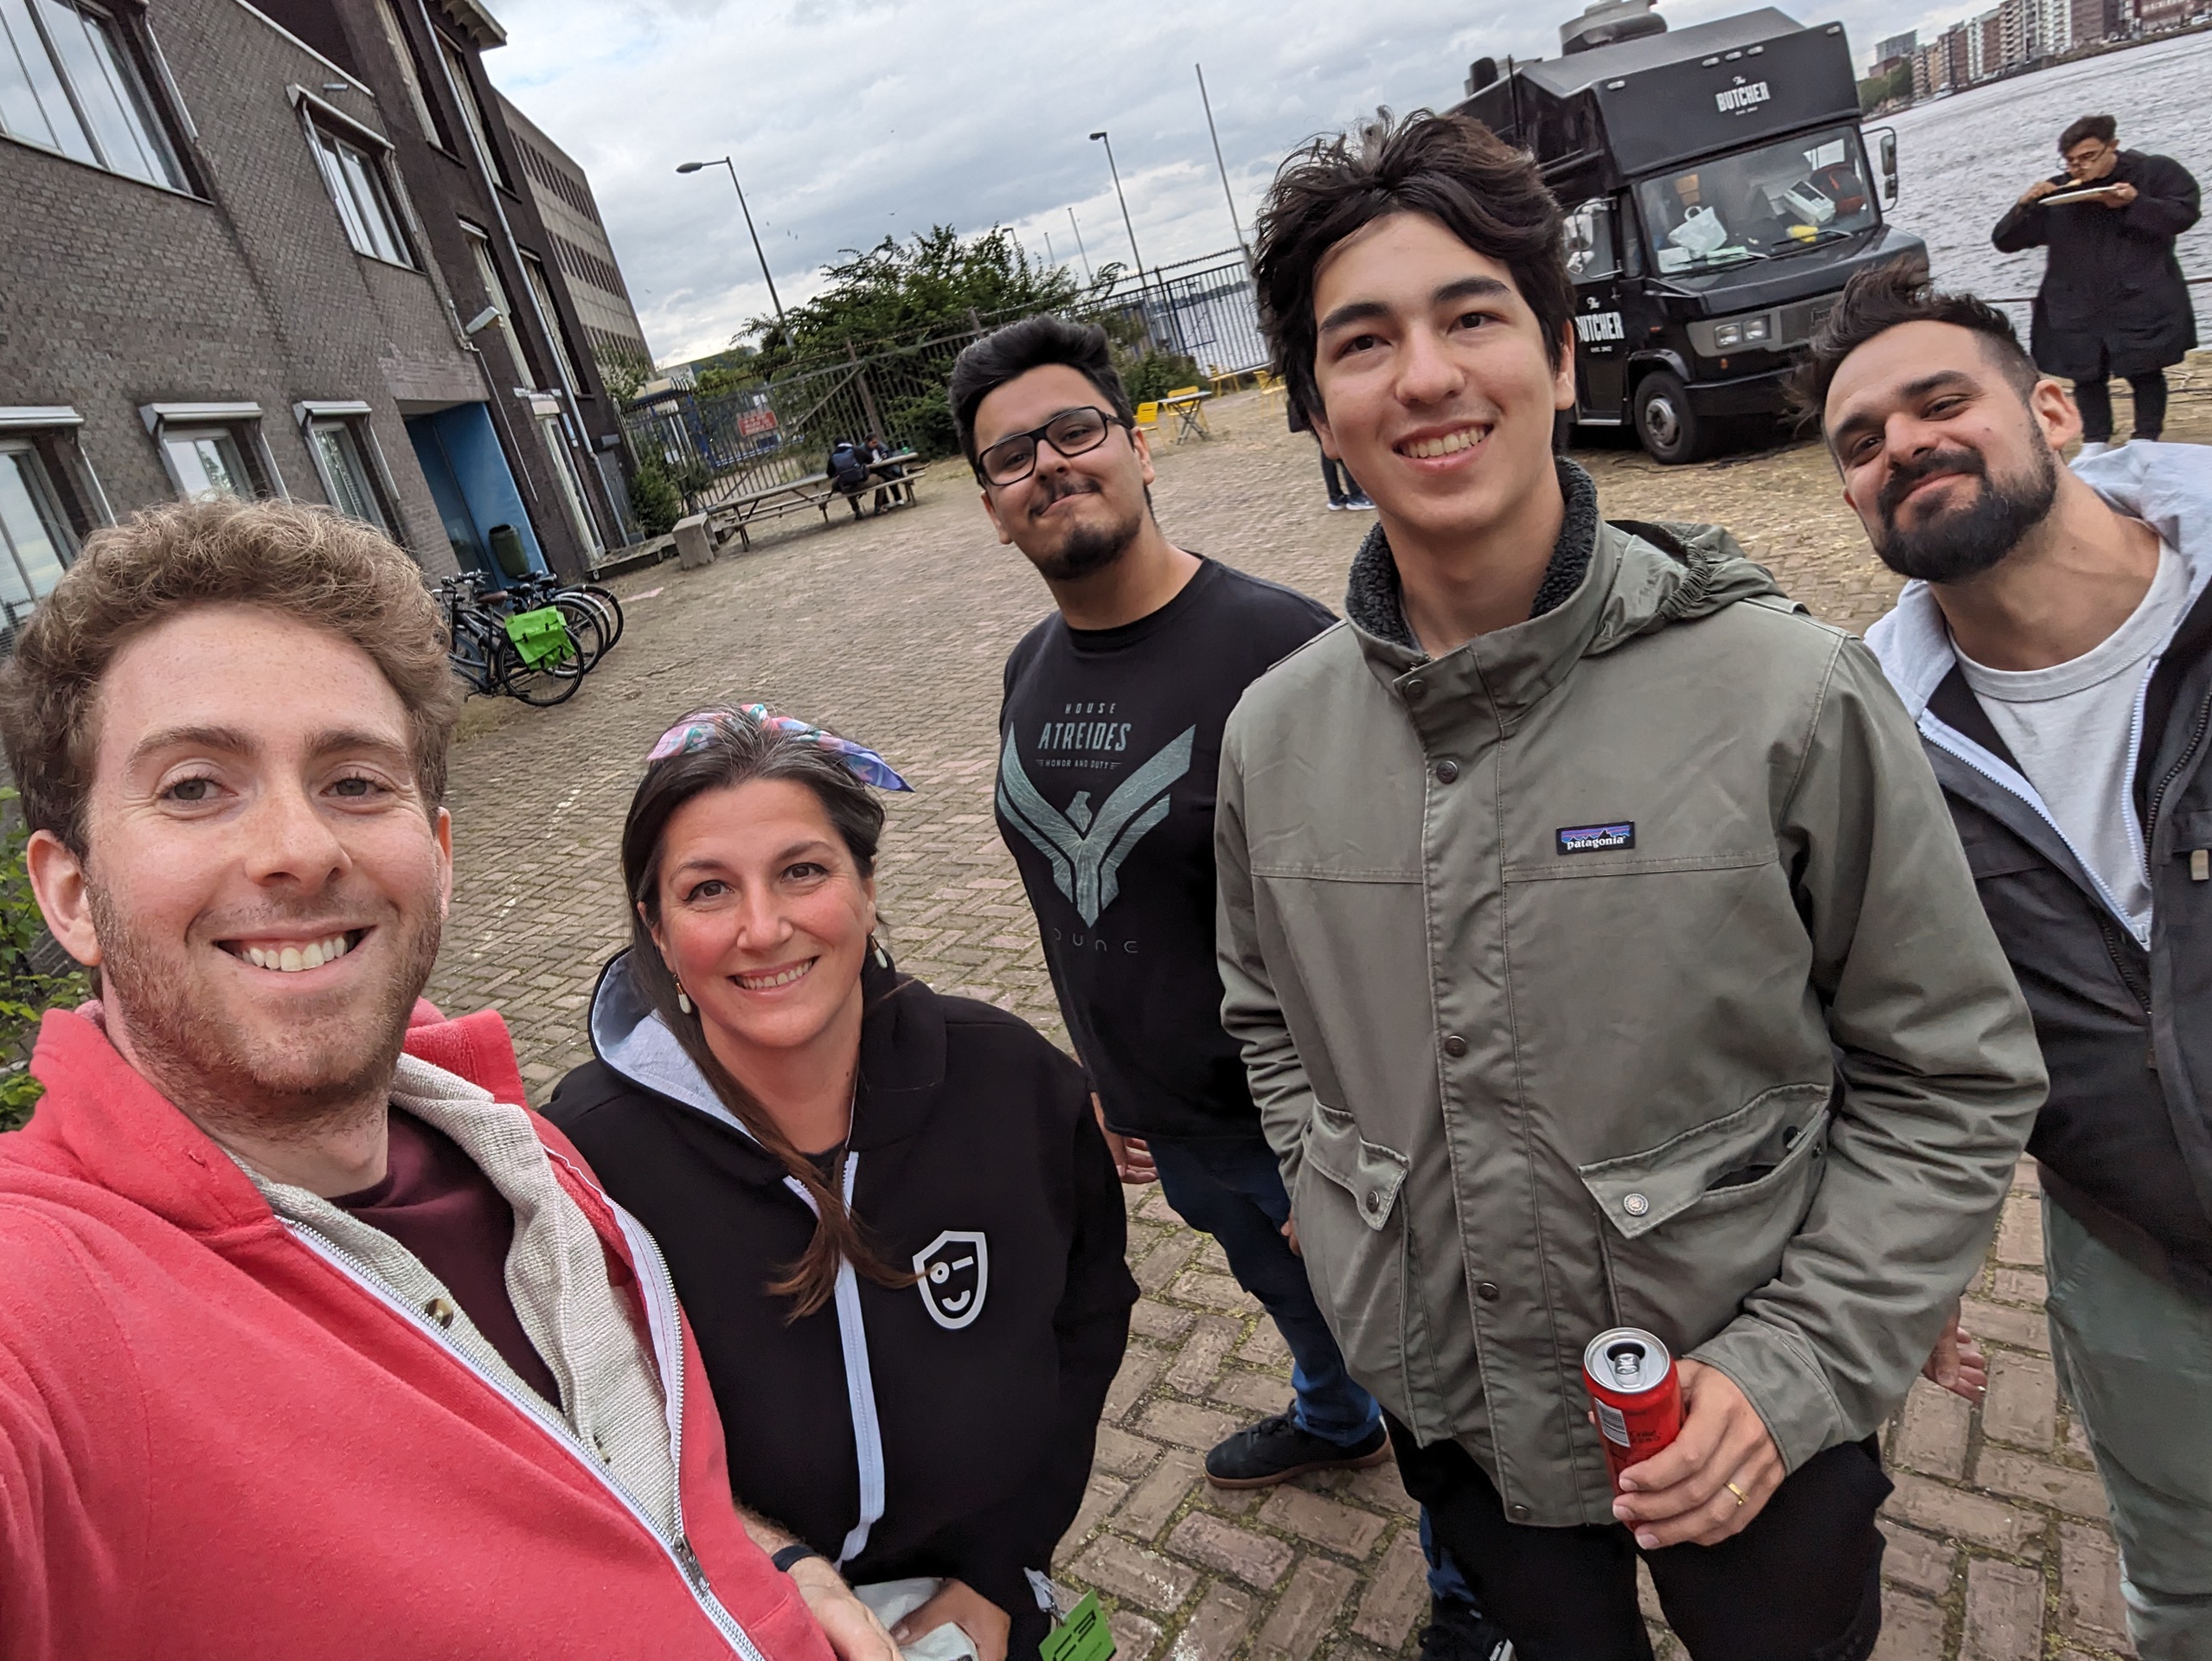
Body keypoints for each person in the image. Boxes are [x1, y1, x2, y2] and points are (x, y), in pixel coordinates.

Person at [1220, 110, 2048, 1660]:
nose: (1426, 376)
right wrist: (1350, 1232)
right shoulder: (1274, 737)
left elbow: (1950, 1071)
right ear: (1316, 408)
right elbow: (1266, 1019)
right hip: (1458, 1409)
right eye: (1363, 341)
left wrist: (1801, 1366)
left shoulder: (1787, 689)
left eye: (1472, 316)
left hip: (1755, 1416)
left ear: (1556, 348)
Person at [0, 499, 853, 1661]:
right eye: (196, 786)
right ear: (67, 893)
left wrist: (772, 1557)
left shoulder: (519, 1145)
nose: (299, 847)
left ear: (438, 862)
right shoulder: (49, 1297)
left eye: (355, 782)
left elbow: (621, 1483)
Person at [946, 316, 1506, 1661]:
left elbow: (1395, 929)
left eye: (1077, 430)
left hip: (1314, 1132)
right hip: (1169, 1124)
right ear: (989, 504)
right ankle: (1329, 1418)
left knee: (1428, 1370)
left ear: (1138, 447)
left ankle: (1478, 1600)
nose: (1050, 465)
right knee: (1283, 1295)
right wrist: (1104, 1080)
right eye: (1010, 453)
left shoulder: (1285, 652)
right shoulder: (1030, 671)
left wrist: (1351, 1152)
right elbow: (1074, 903)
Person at [1804, 260, 2212, 1660]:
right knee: (2186, 1591)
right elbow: (1882, 1027)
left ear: (2053, 409)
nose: (1899, 446)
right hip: (2142, 1268)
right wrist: (1911, 1260)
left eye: (1936, 402)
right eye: (1859, 442)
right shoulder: (1867, 744)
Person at [545, 705, 1138, 1661]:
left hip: (982, 1600)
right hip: (736, 1624)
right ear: (655, 929)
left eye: (803, 871)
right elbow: (598, 1433)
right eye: (707, 891)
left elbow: (1088, 1312)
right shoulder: (586, 1157)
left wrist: (1000, 1567)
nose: (763, 928)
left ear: (865, 885)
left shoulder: (1014, 1082)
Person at [1991, 113, 2201, 458]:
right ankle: (2095, 440)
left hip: (2138, 292)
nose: (2078, 168)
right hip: (2076, 298)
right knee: (2086, 372)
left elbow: (2184, 214)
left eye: (2087, 158)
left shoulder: (2154, 172)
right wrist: (2024, 206)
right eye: (2071, 161)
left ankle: (2146, 437)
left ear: (2112, 147)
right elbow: (2006, 241)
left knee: (2144, 367)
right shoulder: (2060, 191)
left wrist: (2135, 202)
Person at [1290, 394, 1373, 510]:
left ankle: (1336, 496)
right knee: (1343, 448)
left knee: (1327, 450)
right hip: (1320, 407)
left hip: (1314, 408)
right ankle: (1355, 495)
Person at [828, 439, 872, 518]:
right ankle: (879, 505)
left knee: (846, 486)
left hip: (845, 487)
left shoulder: (833, 456)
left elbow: (830, 474)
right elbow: (870, 460)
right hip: (861, 482)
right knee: (880, 479)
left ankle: (857, 510)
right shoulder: (856, 450)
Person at [866, 433, 910, 512]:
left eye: (877, 442)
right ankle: (887, 501)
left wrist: (885, 455)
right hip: (873, 471)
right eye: (873, 442)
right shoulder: (862, 450)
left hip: (884, 467)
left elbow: (887, 452)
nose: (876, 444)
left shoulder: (880, 446)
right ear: (868, 442)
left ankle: (897, 498)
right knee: (883, 478)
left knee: (888, 475)